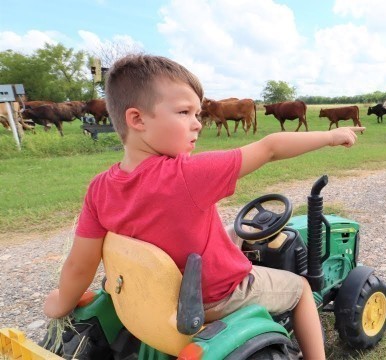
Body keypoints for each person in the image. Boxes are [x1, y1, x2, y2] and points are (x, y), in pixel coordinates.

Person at [43, 54, 363, 359]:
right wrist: (331, 136)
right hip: (216, 296)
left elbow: (79, 265)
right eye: (184, 113)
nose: (197, 124)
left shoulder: (100, 188)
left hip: (151, 298)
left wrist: (61, 302)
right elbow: (269, 148)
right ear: (137, 119)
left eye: (198, 114)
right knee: (301, 289)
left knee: (232, 233)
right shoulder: (188, 174)